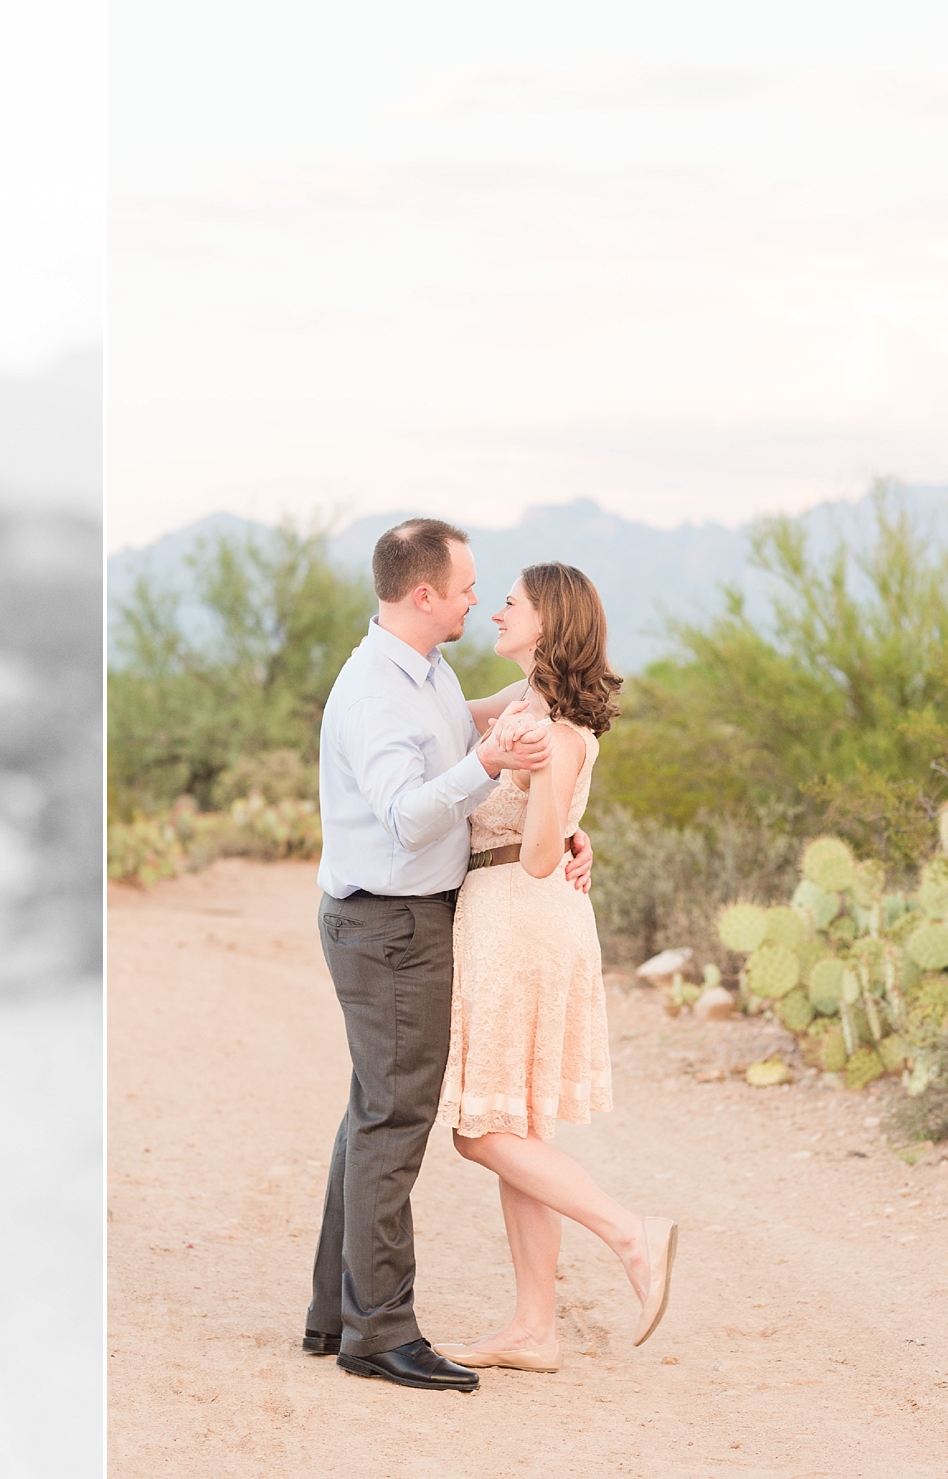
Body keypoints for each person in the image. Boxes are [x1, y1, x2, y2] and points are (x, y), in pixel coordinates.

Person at [305, 518, 593, 1392]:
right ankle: (378, 1331)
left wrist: (561, 805)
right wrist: (493, 763)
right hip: (388, 922)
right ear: (425, 594)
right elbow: (404, 812)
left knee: (373, 1112)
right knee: (395, 1120)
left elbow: (479, 737)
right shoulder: (373, 695)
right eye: (469, 587)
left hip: (411, 917)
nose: (479, 598)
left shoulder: (425, 673)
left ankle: (336, 1314)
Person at [432, 562, 676, 1375]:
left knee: (479, 1130)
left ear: (547, 622)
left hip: (517, 912)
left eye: (512, 602)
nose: (497, 610)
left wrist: (549, 796)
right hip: (520, 912)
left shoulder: (554, 727)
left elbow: (538, 855)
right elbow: (448, 719)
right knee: (519, 1124)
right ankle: (535, 1326)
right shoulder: (525, 705)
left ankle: (626, 1231)